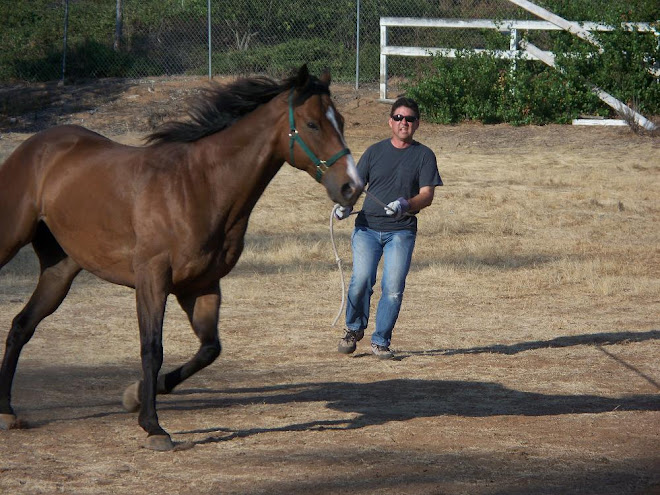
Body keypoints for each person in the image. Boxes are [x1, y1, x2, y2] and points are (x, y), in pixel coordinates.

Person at [334, 97, 442, 359]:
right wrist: (346, 206)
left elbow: (427, 195)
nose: (403, 122)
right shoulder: (374, 151)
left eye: (409, 119)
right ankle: (354, 329)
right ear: (390, 122)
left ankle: (381, 341)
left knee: (392, 288)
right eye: (398, 118)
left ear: (417, 124)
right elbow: (356, 185)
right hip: (367, 229)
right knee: (361, 281)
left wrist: (405, 204)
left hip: (401, 231)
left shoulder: (424, 155)